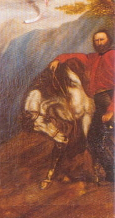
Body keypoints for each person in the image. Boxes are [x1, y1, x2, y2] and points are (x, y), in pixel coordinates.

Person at [49, 29, 114, 181]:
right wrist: (58, 59)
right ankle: (112, 173)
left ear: (109, 41)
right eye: (96, 40)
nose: (99, 43)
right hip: (99, 102)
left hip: (110, 99)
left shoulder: (113, 55)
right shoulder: (93, 57)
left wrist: (111, 110)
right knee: (93, 139)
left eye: (102, 39)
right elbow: (77, 56)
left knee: (100, 137)